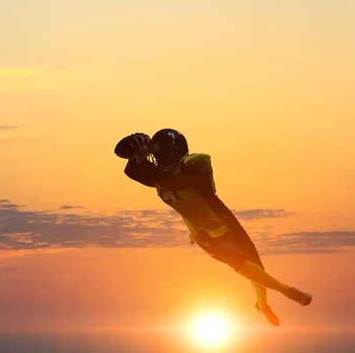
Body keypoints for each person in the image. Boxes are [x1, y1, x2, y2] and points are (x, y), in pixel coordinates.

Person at [114, 128, 312, 326]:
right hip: (202, 232)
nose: (156, 157)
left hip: (222, 219)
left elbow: (174, 184)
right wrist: (135, 154)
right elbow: (131, 171)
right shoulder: (158, 175)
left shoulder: (194, 164)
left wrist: (142, 162)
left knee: (255, 265)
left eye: (159, 152)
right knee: (239, 262)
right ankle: (288, 291)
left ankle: (262, 305)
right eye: (154, 153)